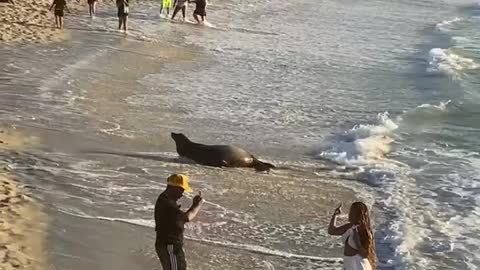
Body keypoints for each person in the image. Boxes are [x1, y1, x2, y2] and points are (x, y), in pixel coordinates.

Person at [154, 174, 203, 270]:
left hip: (169, 245)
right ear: (175, 188)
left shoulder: (164, 199)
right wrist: (197, 205)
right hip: (169, 245)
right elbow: (187, 217)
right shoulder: (168, 204)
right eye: (182, 190)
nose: (182, 194)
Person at [328, 202, 377, 270]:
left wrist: (357, 242)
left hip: (358, 264)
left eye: (352, 212)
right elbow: (332, 231)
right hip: (348, 263)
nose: (349, 214)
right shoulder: (349, 226)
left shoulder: (364, 231)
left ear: (358, 214)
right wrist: (335, 216)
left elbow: (365, 254)